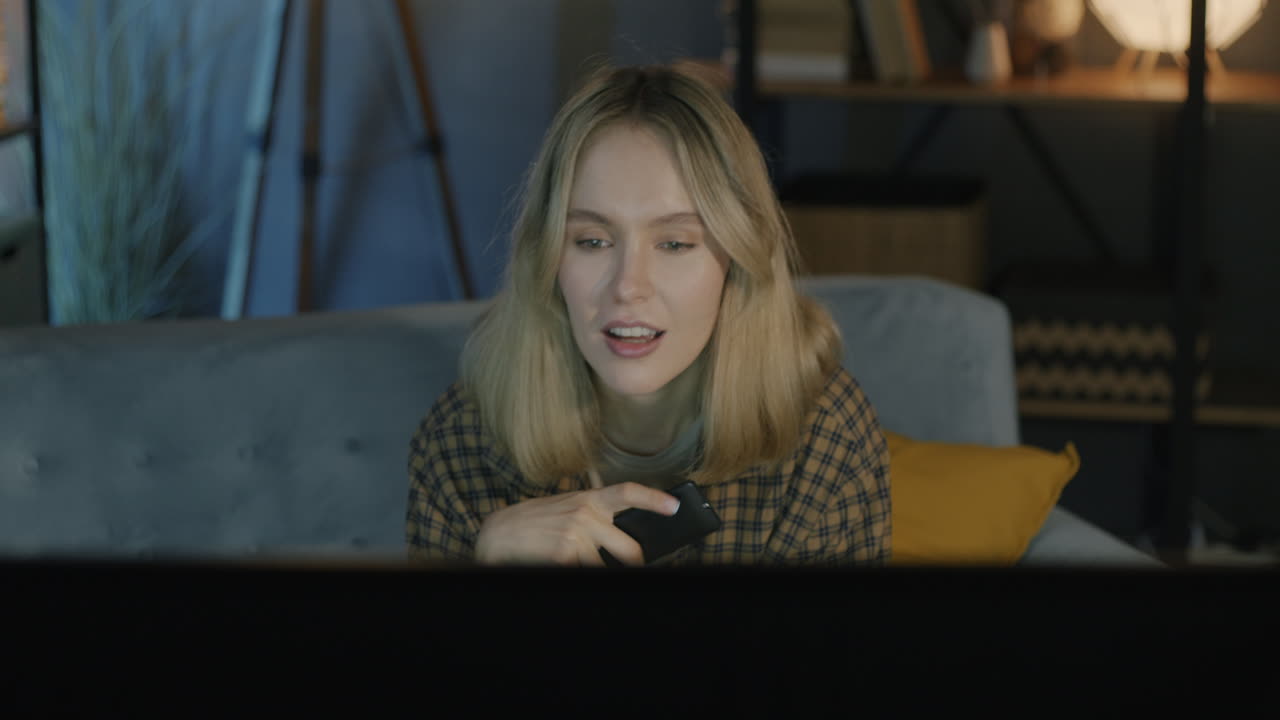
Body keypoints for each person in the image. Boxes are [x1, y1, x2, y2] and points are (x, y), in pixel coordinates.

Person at [405, 63, 891, 567]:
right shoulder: (463, 438)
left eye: (675, 243)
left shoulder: (820, 435)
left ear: (738, 261)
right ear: (547, 259)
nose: (628, 287)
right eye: (592, 241)